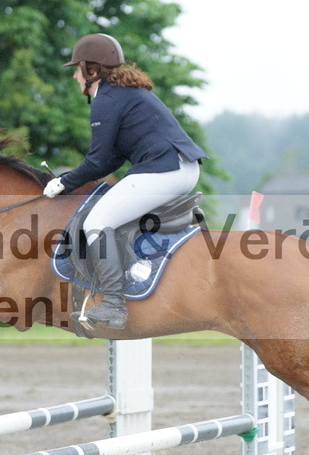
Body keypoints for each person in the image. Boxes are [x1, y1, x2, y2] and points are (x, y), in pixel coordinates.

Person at [43, 33, 207, 329]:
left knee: (97, 221)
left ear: (92, 71)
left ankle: (114, 305)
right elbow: (111, 158)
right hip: (179, 168)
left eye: (77, 70)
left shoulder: (106, 99)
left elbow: (97, 161)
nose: (75, 77)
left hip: (165, 170)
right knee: (112, 217)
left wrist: (63, 183)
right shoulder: (122, 93)